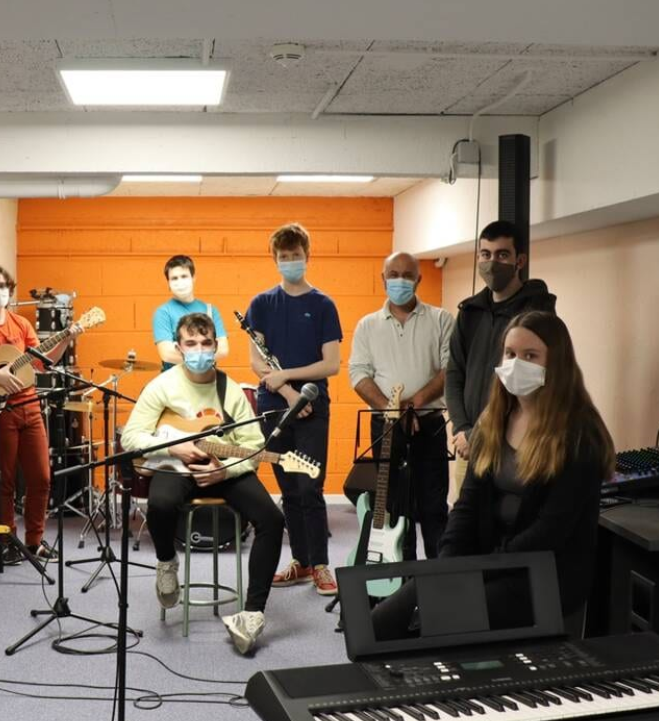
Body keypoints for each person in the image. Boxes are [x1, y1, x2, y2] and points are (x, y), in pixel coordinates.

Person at [337, 311, 615, 721]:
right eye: (510, 353)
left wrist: (466, 577)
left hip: (543, 579)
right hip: (488, 567)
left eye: (530, 355)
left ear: (556, 364)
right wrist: (444, 568)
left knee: (434, 627)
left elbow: (547, 535)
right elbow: (465, 508)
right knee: (375, 624)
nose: (515, 363)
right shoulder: (494, 419)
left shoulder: (580, 436)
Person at [121, 312, 285, 654]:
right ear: (179, 348)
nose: (199, 350)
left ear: (215, 346)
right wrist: (172, 447)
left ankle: (252, 614)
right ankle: (167, 562)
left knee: (272, 518)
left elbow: (254, 446)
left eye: (206, 343)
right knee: (161, 503)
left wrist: (225, 471)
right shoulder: (162, 386)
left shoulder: (230, 390)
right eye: (191, 343)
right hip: (175, 465)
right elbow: (132, 437)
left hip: (222, 467)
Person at [0, 264, 80, 564]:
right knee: (4, 480)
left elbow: (42, 362)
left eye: (3, 286)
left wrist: (65, 338)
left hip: (29, 405)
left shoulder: (21, 324)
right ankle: (6, 542)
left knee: (41, 478)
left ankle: (34, 542)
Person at [245, 223, 342, 596]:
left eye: (296, 256)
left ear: (307, 256)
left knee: (310, 487)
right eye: (283, 257)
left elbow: (331, 364)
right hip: (274, 405)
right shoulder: (261, 304)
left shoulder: (323, 305)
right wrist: (287, 393)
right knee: (288, 489)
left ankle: (320, 564)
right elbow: (257, 362)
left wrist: (289, 378)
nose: (290, 261)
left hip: (313, 406)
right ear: (275, 259)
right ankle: (301, 561)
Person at [348, 252, 454, 559]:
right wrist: (392, 410)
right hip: (386, 426)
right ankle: (403, 580)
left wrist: (413, 405)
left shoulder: (441, 319)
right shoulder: (367, 325)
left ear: (419, 279)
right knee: (394, 509)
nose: (400, 281)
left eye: (407, 275)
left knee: (433, 508)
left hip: (429, 424)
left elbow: (450, 369)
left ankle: (437, 577)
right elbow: (358, 374)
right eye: (393, 275)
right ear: (383, 279)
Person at [445, 221, 555, 494]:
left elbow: (526, 383)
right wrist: (462, 429)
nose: (492, 263)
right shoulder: (469, 313)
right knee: (466, 513)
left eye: (502, 255)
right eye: (486, 254)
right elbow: (454, 373)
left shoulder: (537, 314)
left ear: (520, 261)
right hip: (469, 445)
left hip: (516, 442)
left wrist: (478, 434)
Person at [151, 255, 230, 369]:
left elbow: (223, 350)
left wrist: (186, 353)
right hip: (175, 378)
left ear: (193, 278)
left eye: (184, 276)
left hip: (207, 377)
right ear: (168, 283)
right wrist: (206, 353)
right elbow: (167, 354)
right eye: (174, 278)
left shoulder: (210, 310)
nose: (180, 282)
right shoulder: (163, 312)